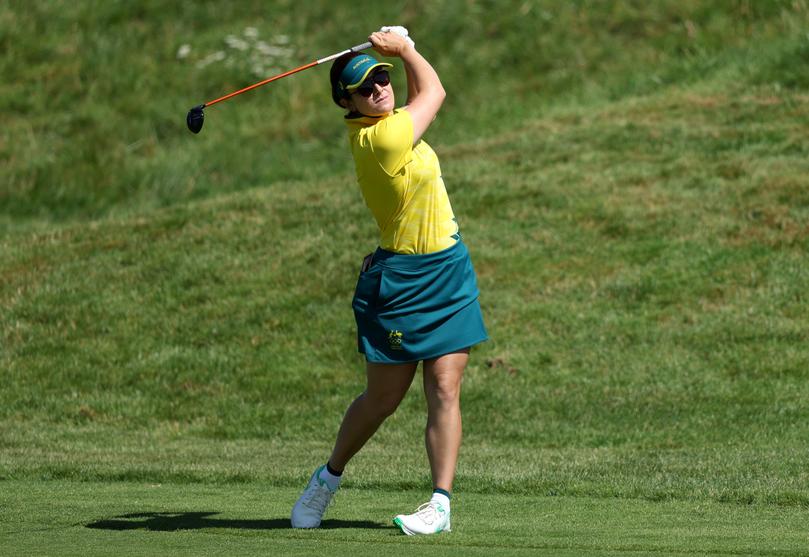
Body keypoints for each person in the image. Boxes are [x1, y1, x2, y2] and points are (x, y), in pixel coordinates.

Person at [290, 27, 488, 536]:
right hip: (403, 282)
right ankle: (327, 478)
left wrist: (397, 55)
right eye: (365, 86)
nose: (379, 88)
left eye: (382, 78)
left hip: (448, 268)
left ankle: (440, 504)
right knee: (382, 400)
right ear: (346, 101)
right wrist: (406, 49)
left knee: (445, 387)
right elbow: (436, 93)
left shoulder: (397, 123)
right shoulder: (379, 139)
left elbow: (422, 96)